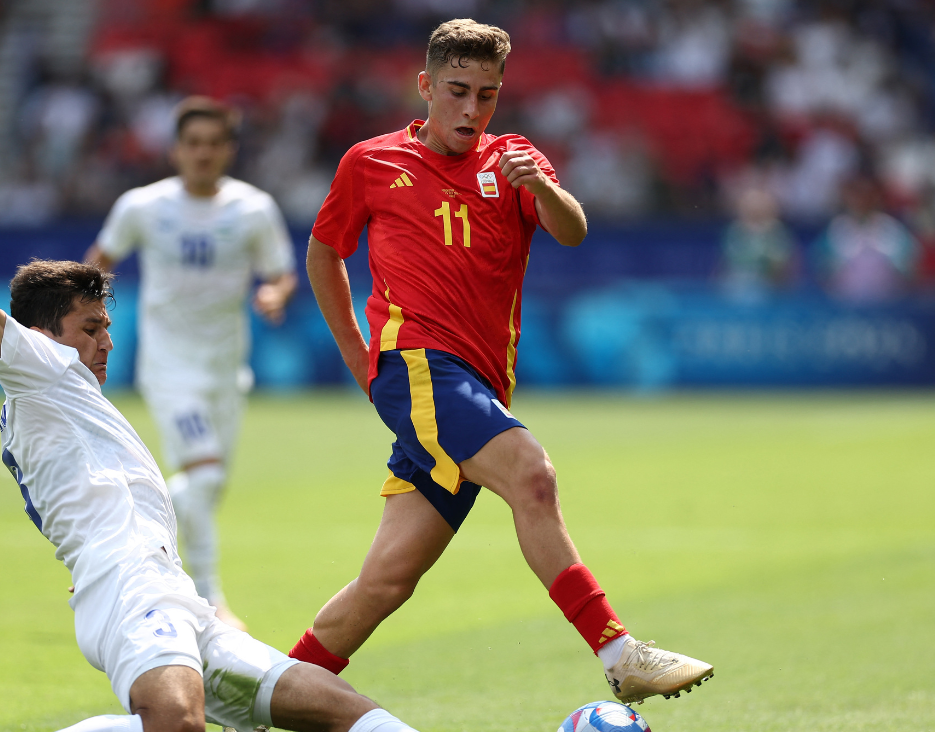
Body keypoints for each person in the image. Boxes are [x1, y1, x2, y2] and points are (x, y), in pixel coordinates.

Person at [0, 119, 417, 732]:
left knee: (352, 715)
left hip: (176, 596)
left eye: (106, 325)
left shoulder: (65, 397)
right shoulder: (38, 369)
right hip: (129, 591)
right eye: (90, 328)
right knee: (177, 723)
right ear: (41, 336)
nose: (106, 342)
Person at [292, 19, 714, 705]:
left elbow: (571, 232)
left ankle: (251, 698)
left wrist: (544, 189)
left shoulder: (514, 158)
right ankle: (619, 651)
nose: (470, 109)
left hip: (477, 387)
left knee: (386, 582)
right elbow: (323, 252)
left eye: (486, 95)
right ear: (426, 86)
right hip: (417, 366)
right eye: (457, 91)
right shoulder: (370, 163)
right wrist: (359, 358)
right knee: (532, 474)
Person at [84, 97, 298, 630]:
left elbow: (281, 271)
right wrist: (82, 318)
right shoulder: (143, 206)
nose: (203, 154)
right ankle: (209, 601)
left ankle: (130, 529)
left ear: (229, 149)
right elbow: (99, 262)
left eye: (213, 144)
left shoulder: (252, 209)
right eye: (193, 144)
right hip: (169, 367)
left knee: (208, 486)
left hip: (226, 369)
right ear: (177, 149)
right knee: (202, 475)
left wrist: (275, 293)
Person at [816, 175, 918, 304]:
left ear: (876, 197)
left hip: (887, 306)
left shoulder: (891, 228)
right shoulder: (836, 229)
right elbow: (821, 268)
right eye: (857, 195)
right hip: (845, 307)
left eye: (867, 195)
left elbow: (909, 268)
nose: (861, 200)